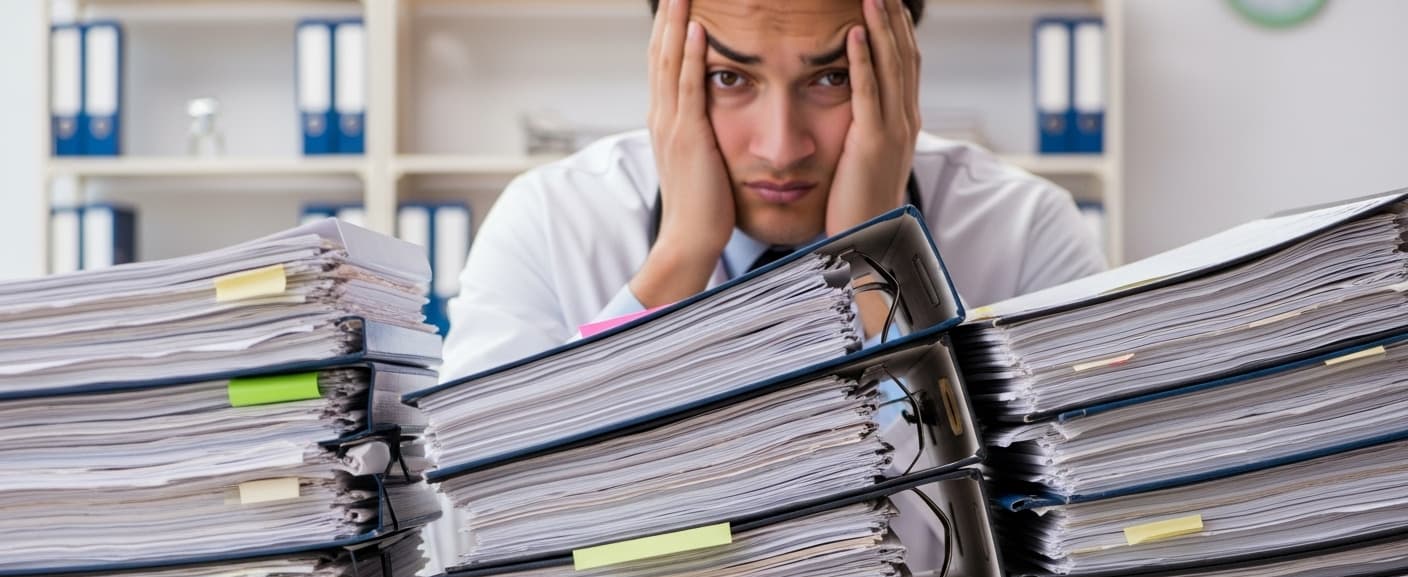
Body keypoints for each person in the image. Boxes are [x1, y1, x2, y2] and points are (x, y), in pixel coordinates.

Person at [438, 0, 1106, 383]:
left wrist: (877, 260)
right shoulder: (549, 218)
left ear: (902, 70)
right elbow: (469, 521)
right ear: (665, 67)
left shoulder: (1025, 229)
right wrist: (678, 260)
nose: (782, 148)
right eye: (730, 78)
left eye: (833, 78)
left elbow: (1070, 520)